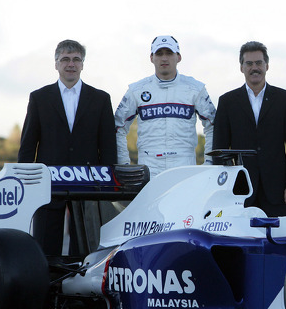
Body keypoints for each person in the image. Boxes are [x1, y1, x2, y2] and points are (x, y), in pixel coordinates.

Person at [18, 39, 116, 256]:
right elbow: (28, 145)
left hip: (88, 183)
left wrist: (107, 182)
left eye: (76, 59)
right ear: (56, 64)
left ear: (82, 64)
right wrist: (26, 180)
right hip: (48, 182)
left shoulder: (101, 99)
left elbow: (108, 145)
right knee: (45, 242)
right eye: (65, 59)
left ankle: (78, 286)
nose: (70, 64)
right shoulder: (39, 98)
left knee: (84, 244)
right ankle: (45, 286)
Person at [213, 41, 286, 217]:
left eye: (258, 63)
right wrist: (224, 186)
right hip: (239, 189)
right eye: (249, 63)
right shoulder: (227, 102)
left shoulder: (285, 99)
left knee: (277, 239)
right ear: (241, 67)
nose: (254, 68)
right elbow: (220, 149)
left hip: (277, 189)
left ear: (267, 65)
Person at [114, 35, 216, 176]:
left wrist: (209, 163)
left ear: (178, 57)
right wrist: (124, 164)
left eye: (169, 53)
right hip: (149, 168)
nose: (164, 58)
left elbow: (213, 125)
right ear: (151, 58)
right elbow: (118, 126)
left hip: (184, 167)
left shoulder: (195, 88)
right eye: (159, 53)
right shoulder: (136, 90)